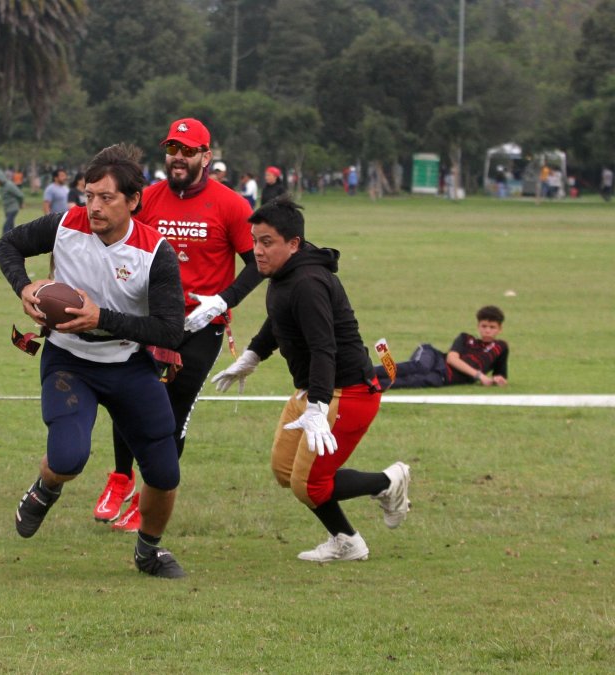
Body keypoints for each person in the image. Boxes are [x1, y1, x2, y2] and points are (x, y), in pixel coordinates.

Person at [0, 143, 188, 578]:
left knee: (163, 471)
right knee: (67, 458)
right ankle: (46, 488)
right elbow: (7, 245)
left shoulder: (155, 252)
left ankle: (148, 552)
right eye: (88, 195)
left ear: (133, 201)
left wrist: (103, 318)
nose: (94, 207)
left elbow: (169, 330)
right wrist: (24, 287)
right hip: (69, 361)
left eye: (106, 198)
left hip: (127, 364)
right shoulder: (66, 224)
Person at [210, 197, 411, 563]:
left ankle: (385, 486)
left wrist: (318, 406)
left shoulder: (308, 282)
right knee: (285, 471)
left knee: (309, 484)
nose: (257, 250)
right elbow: (279, 321)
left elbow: (324, 349)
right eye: (254, 240)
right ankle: (351, 535)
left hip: (346, 393)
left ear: (294, 244)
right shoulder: (284, 276)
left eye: (267, 241)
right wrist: (251, 357)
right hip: (316, 389)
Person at [92, 118, 263, 532]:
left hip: (202, 324)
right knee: (128, 395)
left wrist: (223, 299)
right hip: (148, 318)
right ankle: (120, 478)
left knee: (172, 410)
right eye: (173, 148)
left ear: (207, 156)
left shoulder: (232, 204)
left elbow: (258, 262)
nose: (179, 158)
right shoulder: (145, 198)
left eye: (189, 150)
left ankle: (149, 499)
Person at [374, 306, 509, 389]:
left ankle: (364, 383)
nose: (487, 331)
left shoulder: (500, 347)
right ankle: (366, 371)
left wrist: (497, 380)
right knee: (421, 366)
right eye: (484, 326)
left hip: (443, 377)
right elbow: (452, 359)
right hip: (434, 357)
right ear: (478, 326)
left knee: (408, 381)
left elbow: (500, 375)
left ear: (499, 329)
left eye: (492, 327)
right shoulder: (466, 338)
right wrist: (480, 376)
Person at [0, 168, 24, 235]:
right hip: (7, 210)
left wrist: (21, 204)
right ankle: (16, 241)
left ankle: (3, 242)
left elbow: (20, 195)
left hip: (13, 209)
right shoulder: (3, 187)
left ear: (0, 179)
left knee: (6, 227)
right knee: (11, 228)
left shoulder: (9, 185)